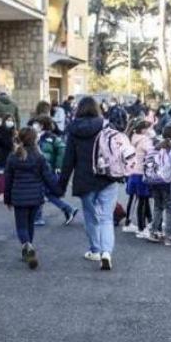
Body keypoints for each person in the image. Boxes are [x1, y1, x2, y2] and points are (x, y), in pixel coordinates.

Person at [59, 96, 119, 271]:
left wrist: (61, 185)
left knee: (91, 217)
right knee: (107, 218)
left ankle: (95, 250)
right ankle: (107, 252)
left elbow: (68, 160)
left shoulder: (74, 130)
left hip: (85, 179)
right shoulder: (107, 126)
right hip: (107, 177)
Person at [4, 127, 63, 270]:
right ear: (35, 139)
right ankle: (28, 249)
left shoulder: (13, 157)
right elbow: (48, 177)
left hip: (19, 196)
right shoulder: (39, 157)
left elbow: (8, 179)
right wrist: (58, 190)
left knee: (21, 226)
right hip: (36, 196)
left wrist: (7, 198)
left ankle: (27, 246)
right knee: (30, 224)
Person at [32, 115, 78, 226]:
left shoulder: (51, 138)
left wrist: (58, 166)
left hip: (47, 169)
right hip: (40, 169)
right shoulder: (35, 136)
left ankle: (38, 217)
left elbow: (61, 150)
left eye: (37, 124)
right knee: (46, 193)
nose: (34, 126)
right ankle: (68, 209)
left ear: (42, 125)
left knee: (41, 192)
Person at [147, 125, 171, 245]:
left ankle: (153, 232)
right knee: (170, 209)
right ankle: (168, 236)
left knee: (157, 207)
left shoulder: (156, 146)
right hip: (168, 183)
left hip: (155, 181)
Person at [128, 119, 155, 239]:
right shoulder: (144, 140)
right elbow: (152, 153)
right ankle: (141, 227)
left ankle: (147, 223)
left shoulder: (133, 137)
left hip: (133, 172)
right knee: (143, 201)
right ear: (144, 130)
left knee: (141, 199)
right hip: (141, 173)